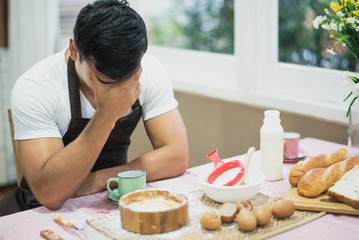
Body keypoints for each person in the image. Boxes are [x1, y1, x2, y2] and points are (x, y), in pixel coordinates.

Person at [0, 0, 188, 216]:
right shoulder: (36, 87)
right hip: (39, 209)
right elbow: (49, 194)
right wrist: (106, 115)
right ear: (74, 50)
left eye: (128, 80)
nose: (120, 92)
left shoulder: (150, 70)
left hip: (110, 198)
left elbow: (177, 156)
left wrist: (100, 179)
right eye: (106, 81)